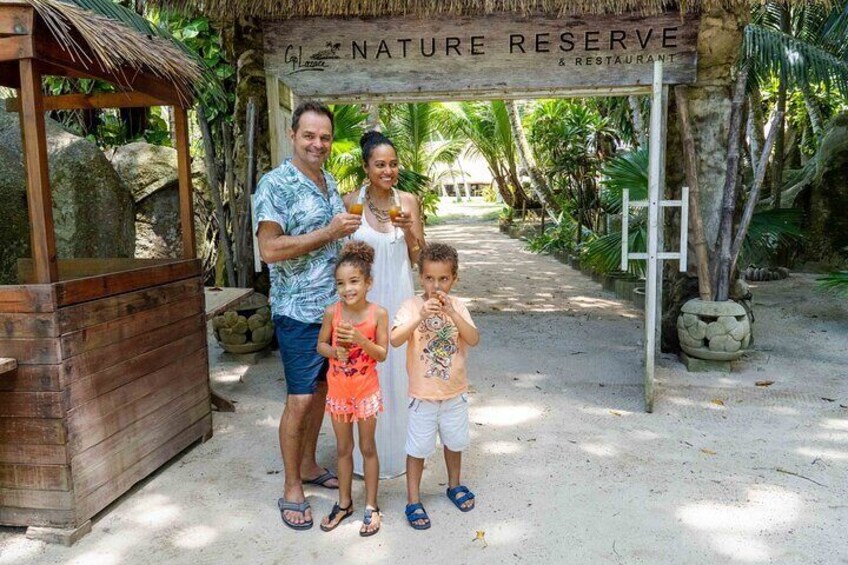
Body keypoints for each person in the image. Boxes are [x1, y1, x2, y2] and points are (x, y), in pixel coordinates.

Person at [254, 101, 362, 531]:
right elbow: (270, 250)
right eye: (309, 136)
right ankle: (291, 487)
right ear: (293, 135)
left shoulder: (327, 180)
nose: (318, 144)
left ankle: (310, 466)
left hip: (333, 312)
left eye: (325, 138)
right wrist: (328, 234)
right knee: (299, 398)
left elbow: (335, 239)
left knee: (320, 391)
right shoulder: (275, 184)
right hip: (298, 312)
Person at [342, 131, 425, 478]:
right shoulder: (350, 202)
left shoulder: (408, 202)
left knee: (401, 373)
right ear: (366, 167)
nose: (388, 170)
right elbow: (344, 255)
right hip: (366, 302)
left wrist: (408, 231)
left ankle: (403, 453)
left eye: (393, 164)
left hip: (400, 297)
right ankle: (365, 457)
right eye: (380, 164)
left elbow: (419, 257)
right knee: (365, 371)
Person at [390, 243, 480, 530]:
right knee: (417, 448)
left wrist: (453, 313)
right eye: (430, 278)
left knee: (454, 443)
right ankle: (413, 499)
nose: (436, 285)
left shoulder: (459, 306)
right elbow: (395, 339)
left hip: (455, 393)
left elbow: (473, 338)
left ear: (454, 279)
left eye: (443, 279)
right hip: (423, 395)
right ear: (421, 278)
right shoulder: (411, 306)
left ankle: (454, 485)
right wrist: (421, 316)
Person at [316, 241, 389, 536]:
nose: (347, 289)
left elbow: (382, 353)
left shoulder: (378, 314)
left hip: (366, 390)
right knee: (343, 449)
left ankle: (372, 506)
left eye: (354, 281)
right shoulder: (332, 312)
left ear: (368, 283)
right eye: (341, 283)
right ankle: (344, 503)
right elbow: (321, 344)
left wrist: (360, 340)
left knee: (368, 448)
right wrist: (334, 353)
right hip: (339, 392)